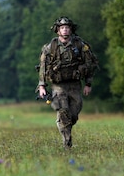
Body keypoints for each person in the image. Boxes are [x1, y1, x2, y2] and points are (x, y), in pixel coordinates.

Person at [36, 16, 98, 149]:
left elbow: (90, 64)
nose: (65, 30)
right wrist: (41, 86)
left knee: (73, 115)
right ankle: (67, 143)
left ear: (71, 30)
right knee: (64, 112)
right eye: (62, 28)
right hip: (58, 86)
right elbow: (43, 66)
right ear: (58, 31)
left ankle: (64, 125)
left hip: (75, 85)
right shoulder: (50, 47)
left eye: (67, 28)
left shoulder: (80, 45)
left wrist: (88, 84)